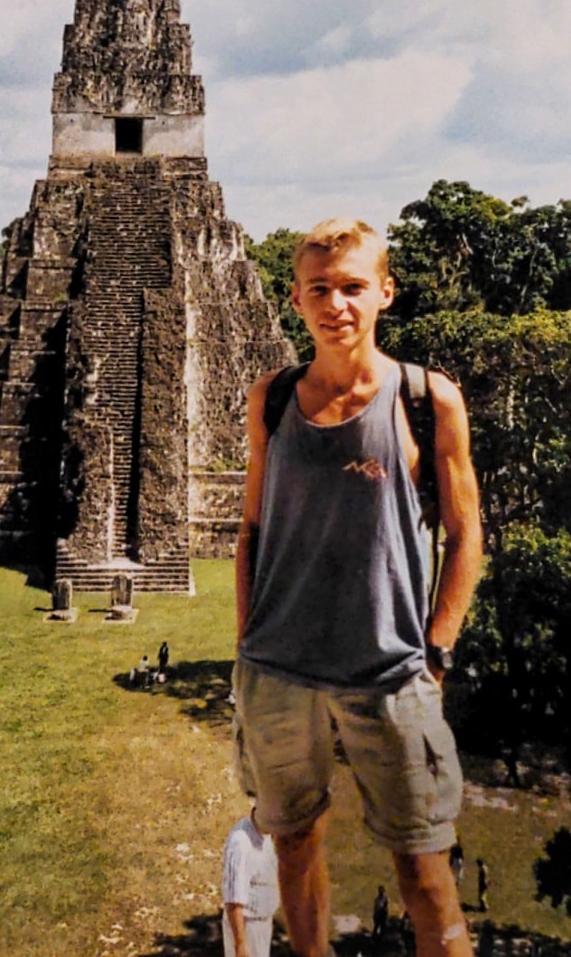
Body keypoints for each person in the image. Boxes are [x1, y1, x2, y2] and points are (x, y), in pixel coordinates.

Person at [233, 219, 484, 957]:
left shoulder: (425, 398)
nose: (335, 304)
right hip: (277, 669)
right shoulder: (270, 397)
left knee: (423, 868)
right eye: (319, 289)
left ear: (384, 292)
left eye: (351, 287)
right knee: (294, 846)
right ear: (294, 299)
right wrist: (245, 642)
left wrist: (435, 650)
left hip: (389, 669)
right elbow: (249, 530)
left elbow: (466, 535)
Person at [222, 808, 279, 957]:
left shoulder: (266, 834)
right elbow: (233, 901)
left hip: (263, 924)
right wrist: (240, 945)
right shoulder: (241, 843)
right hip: (247, 927)